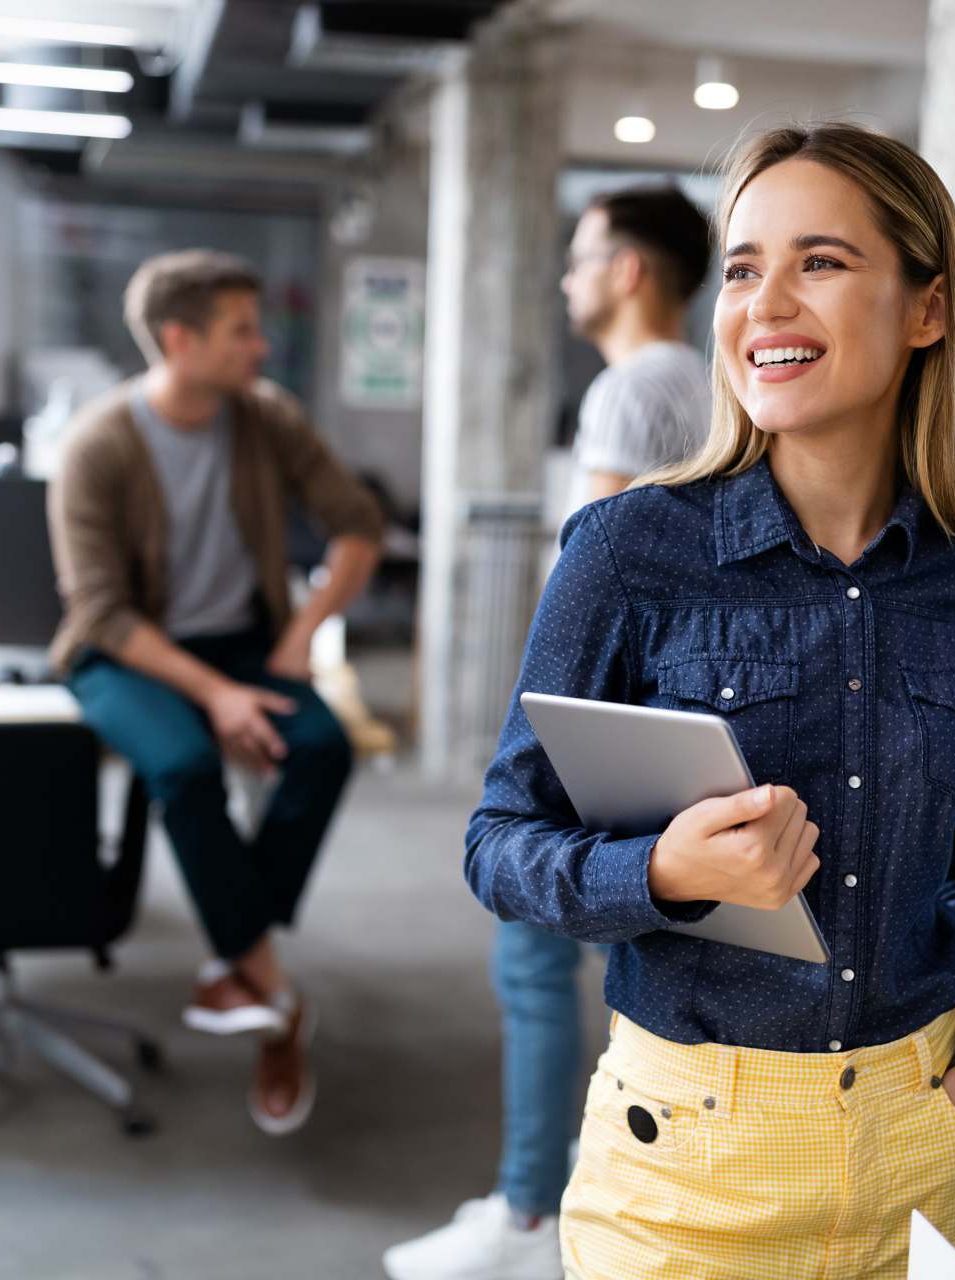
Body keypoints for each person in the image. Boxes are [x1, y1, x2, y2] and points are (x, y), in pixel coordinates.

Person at [464, 122, 955, 1277]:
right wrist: (665, 874)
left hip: (925, 1144)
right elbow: (497, 844)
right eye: (742, 268)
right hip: (688, 1159)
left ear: (927, 308)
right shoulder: (629, 551)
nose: (765, 302)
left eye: (819, 262)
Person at [383, 185, 712, 1280]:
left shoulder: (630, 391)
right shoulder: (705, 387)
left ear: (631, 270)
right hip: (681, 708)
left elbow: (590, 581)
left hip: (612, 717)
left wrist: (542, 727)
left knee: (532, 950)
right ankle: (585, 1189)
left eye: (580, 257)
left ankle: (532, 1208)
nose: (568, 278)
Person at [46, 249, 384, 1136]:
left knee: (323, 746)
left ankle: (239, 957)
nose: (261, 347)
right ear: (177, 339)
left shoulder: (264, 419)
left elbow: (357, 525)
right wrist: (215, 696)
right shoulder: (96, 445)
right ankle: (272, 992)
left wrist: (300, 634)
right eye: (241, 331)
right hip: (122, 654)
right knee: (186, 765)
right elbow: (103, 613)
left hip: (246, 640)